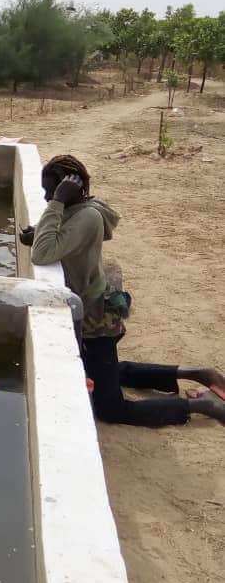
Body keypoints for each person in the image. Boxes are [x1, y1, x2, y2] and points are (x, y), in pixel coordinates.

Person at [22, 154, 225, 426]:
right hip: (94, 306)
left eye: (52, 191)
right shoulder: (79, 210)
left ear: (70, 189)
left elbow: (43, 253)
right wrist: (39, 229)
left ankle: (203, 405)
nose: (47, 197)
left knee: (110, 409)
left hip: (96, 318)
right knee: (104, 369)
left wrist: (57, 202)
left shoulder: (88, 216)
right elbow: (60, 234)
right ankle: (198, 373)